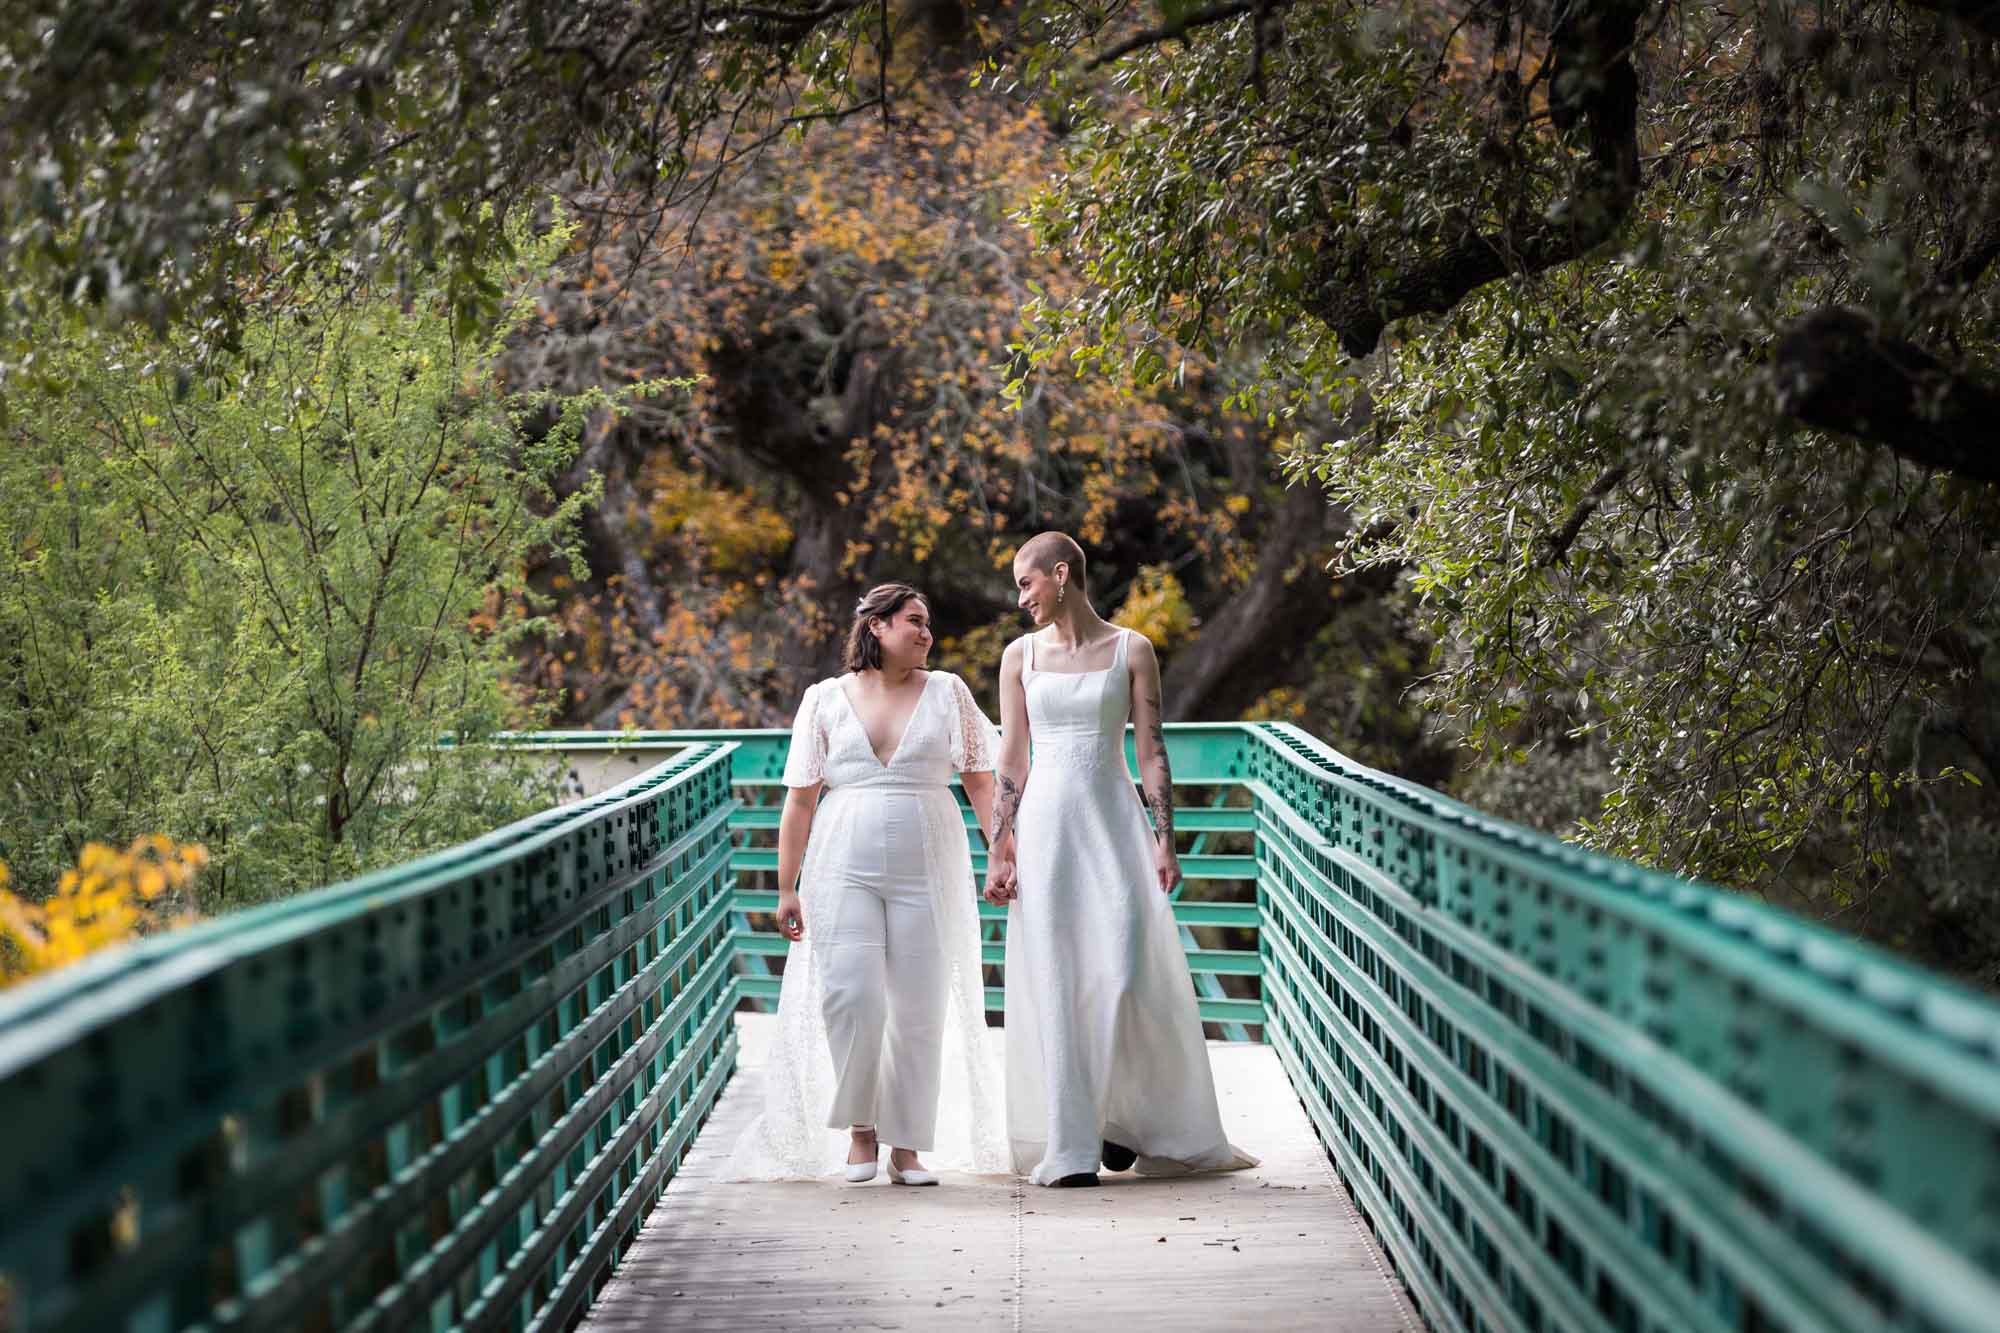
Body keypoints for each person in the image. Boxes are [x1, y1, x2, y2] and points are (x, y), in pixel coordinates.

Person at [984, 533, 1257, 1187]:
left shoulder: (1132, 649)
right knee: (1056, 975)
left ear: (1060, 574)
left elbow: (1153, 750)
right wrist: (1000, 845)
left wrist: (1165, 836)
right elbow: (1012, 756)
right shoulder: (1018, 657)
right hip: (1047, 824)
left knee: (1125, 967)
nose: (1021, 598)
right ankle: (1074, 1143)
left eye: (1027, 583)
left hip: (1114, 820)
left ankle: (1120, 1118)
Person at [728, 583, 1008, 1184]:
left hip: (928, 863)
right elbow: (800, 801)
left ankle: (907, 1147)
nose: (926, 632)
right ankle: (862, 1132)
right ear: (877, 627)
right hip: (840, 866)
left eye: (928, 622)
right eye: (914, 621)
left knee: (919, 1005)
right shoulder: (824, 699)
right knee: (850, 997)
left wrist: (1001, 853)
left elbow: (983, 783)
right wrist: (785, 887)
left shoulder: (948, 692)